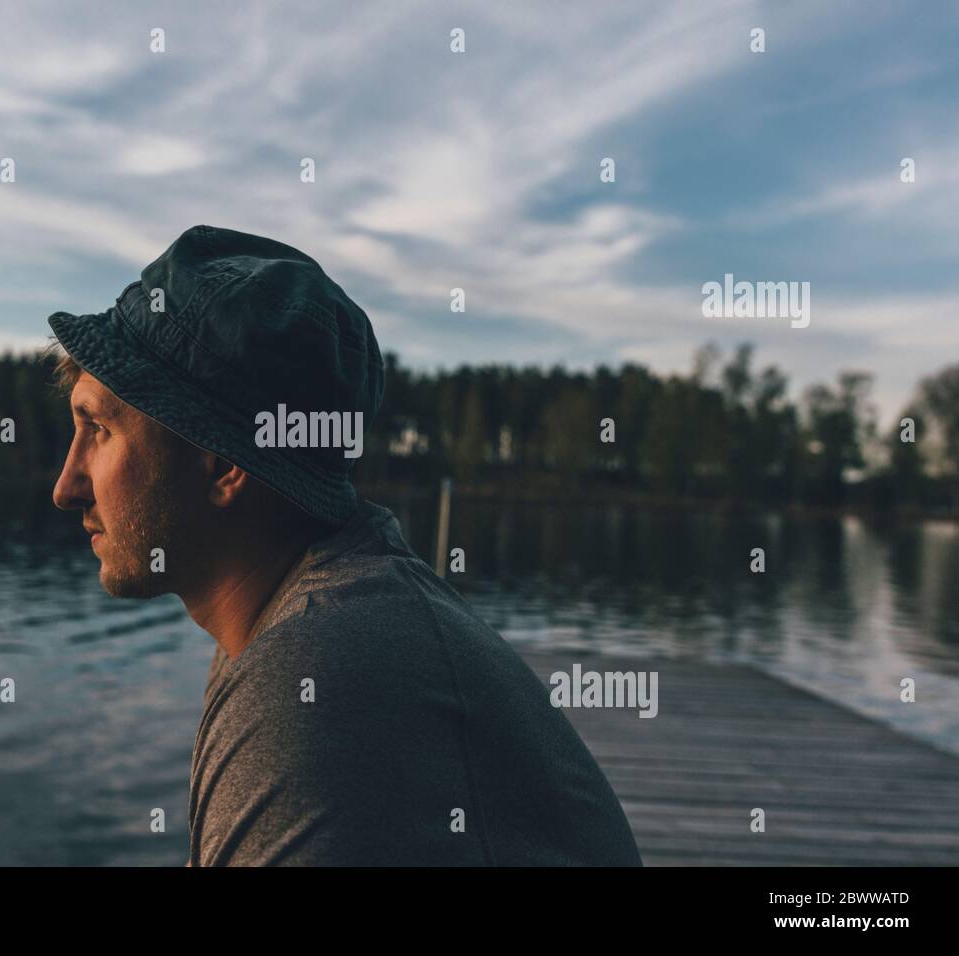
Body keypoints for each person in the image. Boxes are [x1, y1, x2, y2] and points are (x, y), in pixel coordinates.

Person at [48, 224, 642, 866]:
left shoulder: (315, 680)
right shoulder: (301, 620)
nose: (66, 485)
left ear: (224, 466)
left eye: (99, 428)